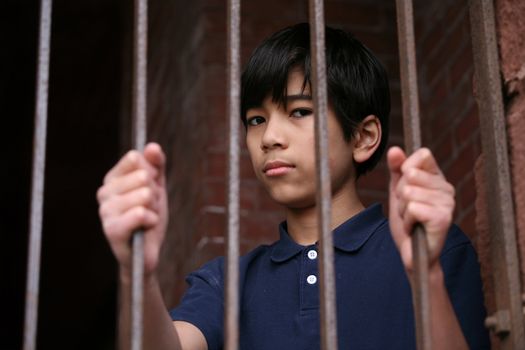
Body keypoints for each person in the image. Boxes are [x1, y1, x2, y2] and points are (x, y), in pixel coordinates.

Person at [97, 23, 490, 349]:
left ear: (363, 137)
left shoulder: (434, 249)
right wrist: (137, 273)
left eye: (299, 111)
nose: (269, 137)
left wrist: (428, 273)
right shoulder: (228, 281)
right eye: (255, 120)